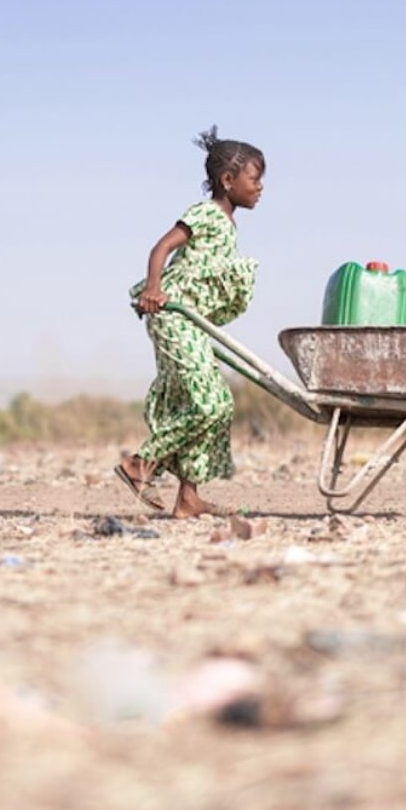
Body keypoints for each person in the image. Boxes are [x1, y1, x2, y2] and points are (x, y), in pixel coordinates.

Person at [115, 126, 265, 518]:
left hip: (192, 322)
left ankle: (188, 497)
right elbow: (161, 247)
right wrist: (152, 288)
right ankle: (140, 465)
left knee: (205, 402)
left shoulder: (229, 225)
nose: (261, 187)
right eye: (255, 178)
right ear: (227, 180)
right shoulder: (205, 213)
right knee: (210, 405)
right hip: (173, 317)